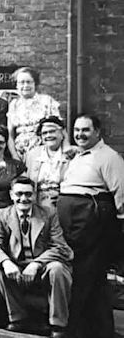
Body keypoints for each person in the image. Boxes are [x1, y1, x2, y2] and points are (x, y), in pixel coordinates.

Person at [57, 114, 124, 338]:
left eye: (85, 130)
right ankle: (95, 330)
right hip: (72, 220)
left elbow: (121, 193)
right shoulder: (77, 154)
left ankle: (82, 330)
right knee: (82, 274)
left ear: (98, 131)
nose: (79, 134)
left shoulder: (109, 157)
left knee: (89, 275)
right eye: (76, 130)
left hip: (92, 220)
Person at [0, 177, 73, 338]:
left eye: (28, 194)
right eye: (19, 194)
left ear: (34, 195)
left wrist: (37, 264)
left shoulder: (49, 214)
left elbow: (60, 246)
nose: (23, 199)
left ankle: (58, 325)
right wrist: (6, 262)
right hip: (17, 266)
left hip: (43, 266)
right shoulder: (1, 215)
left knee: (58, 269)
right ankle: (17, 319)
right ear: (11, 195)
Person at [7, 67, 61, 162]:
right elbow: (10, 135)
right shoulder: (13, 105)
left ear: (35, 84)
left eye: (29, 82)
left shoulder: (47, 101)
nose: (25, 85)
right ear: (16, 85)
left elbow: (60, 129)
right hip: (20, 155)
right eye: (22, 82)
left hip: (44, 153)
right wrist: (15, 156)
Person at [25, 116, 72, 209]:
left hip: (63, 204)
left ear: (62, 133)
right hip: (38, 204)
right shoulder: (33, 155)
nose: (48, 135)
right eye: (44, 133)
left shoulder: (71, 155)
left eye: (52, 131)